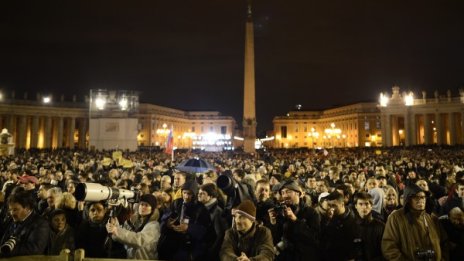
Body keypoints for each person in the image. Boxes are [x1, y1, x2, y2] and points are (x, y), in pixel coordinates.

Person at [382, 184, 449, 261]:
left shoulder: (432, 217)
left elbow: (444, 242)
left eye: (423, 197)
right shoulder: (396, 218)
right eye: (416, 197)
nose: (420, 200)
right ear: (408, 199)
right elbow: (389, 247)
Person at [158, 180, 212, 261]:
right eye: (184, 193)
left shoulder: (201, 208)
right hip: (172, 241)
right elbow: (164, 218)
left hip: (189, 245)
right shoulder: (176, 203)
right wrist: (167, 223)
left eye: (189, 194)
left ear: (194, 194)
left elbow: (205, 230)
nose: (186, 196)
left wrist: (188, 228)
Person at [267, 180, 320, 261]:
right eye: (283, 193)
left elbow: (314, 238)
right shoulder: (281, 211)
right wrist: (273, 222)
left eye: (288, 192)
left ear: (297, 193)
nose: (285, 195)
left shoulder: (311, 212)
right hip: (285, 256)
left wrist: (295, 220)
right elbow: (275, 238)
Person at [106, 194, 161, 260]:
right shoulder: (133, 221)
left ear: (152, 209)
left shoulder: (154, 225)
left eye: (146, 205)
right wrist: (114, 226)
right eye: (141, 204)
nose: (143, 207)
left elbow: (139, 240)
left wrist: (116, 231)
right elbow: (121, 236)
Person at [0, 188, 50, 257]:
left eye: (15, 210)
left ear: (27, 208)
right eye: (10, 210)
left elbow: (34, 249)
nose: (12, 213)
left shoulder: (41, 224)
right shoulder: (11, 219)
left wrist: (5, 251)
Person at [320, 190, 357, 261]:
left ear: (342, 204)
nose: (331, 208)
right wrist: (327, 221)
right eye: (329, 205)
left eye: (334, 205)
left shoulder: (352, 219)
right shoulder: (328, 217)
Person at [198, 183, 228, 261]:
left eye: (203, 193)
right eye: (199, 193)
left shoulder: (217, 212)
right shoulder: (204, 207)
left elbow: (220, 235)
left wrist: (211, 251)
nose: (199, 195)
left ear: (211, 196)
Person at [353, 192, 385, 261]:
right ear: (355, 206)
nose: (364, 207)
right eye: (360, 204)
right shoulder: (351, 226)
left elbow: (384, 250)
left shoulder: (381, 226)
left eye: (367, 204)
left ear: (371, 206)